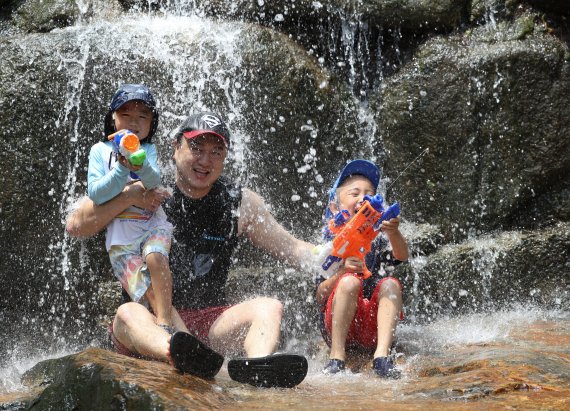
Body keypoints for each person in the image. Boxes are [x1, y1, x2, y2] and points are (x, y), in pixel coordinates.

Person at [67, 111, 314, 387]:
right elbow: (75, 224)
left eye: (216, 152)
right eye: (196, 148)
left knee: (268, 307)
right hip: (152, 323)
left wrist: (330, 256)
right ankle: (178, 352)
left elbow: (292, 248)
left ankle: (257, 368)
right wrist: (128, 196)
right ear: (175, 148)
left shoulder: (238, 203)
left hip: (210, 326)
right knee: (127, 314)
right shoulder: (148, 190)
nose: (205, 160)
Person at [86, 84, 187, 334]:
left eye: (143, 117)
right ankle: (173, 337)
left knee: (156, 257)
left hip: (151, 223)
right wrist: (122, 169)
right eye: (126, 115)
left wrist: (138, 163)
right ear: (113, 118)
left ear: (152, 123)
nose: (134, 122)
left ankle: (165, 324)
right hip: (120, 239)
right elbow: (97, 194)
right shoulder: (100, 151)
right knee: (146, 289)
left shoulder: (148, 150)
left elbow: (153, 182)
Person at [314, 159, 409, 378]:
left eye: (369, 193)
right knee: (349, 281)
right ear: (335, 206)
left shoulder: (377, 237)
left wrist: (393, 232)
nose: (362, 198)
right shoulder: (328, 244)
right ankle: (336, 357)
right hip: (339, 327)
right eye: (354, 193)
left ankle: (382, 357)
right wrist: (340, 272)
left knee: (391, 284)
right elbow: (319, 296)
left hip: (372, 328)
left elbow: (401, 256)